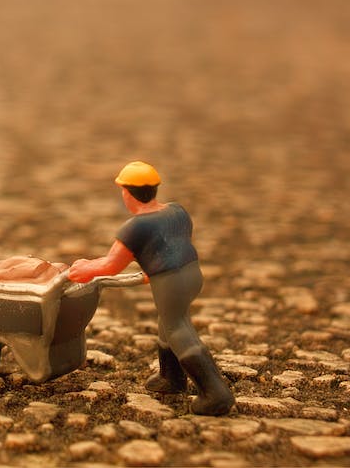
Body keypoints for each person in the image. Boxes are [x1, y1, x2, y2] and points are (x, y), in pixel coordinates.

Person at [69, 160, 234, 414]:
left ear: (127, 192)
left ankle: (215, 392)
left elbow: (112, 265)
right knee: (169, 323)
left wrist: (85, 268)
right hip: (192, 273)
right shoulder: (177, 210)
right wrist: (151, 265)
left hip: (171, 282)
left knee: (178, 328)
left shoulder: (135, 227)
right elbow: (176, 240)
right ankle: (172, 378)